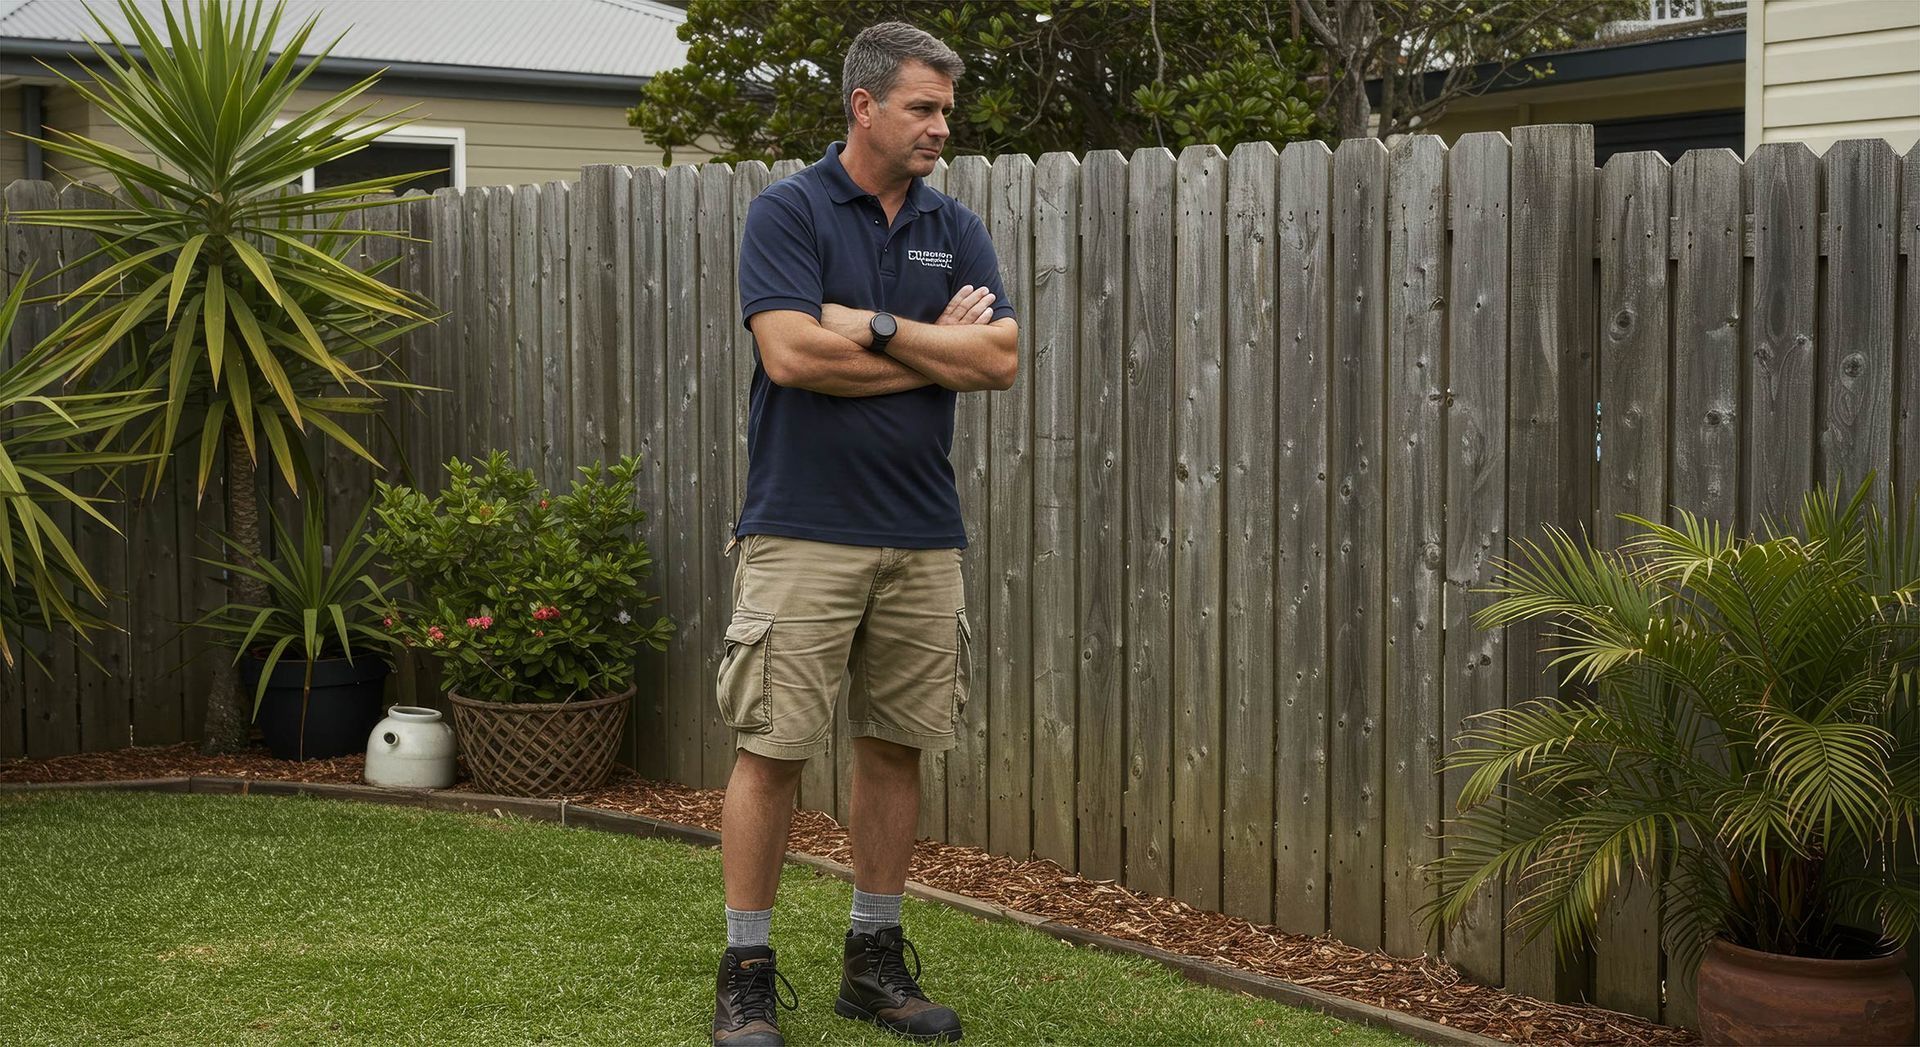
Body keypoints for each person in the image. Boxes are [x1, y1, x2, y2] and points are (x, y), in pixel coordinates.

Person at [710, 19, 1018, 1047]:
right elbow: (794, 355)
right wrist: (939, 348)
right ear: (865, 106)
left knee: (896, 748)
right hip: (801, 528)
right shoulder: (788, 212)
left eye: (945, 110)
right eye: (923, 107)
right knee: (774, 748)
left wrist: (876, 325)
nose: (940, 126)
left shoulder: (954, 226)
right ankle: (746, 970)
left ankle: (872, 966)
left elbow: (1003, 361)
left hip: (923, 533)